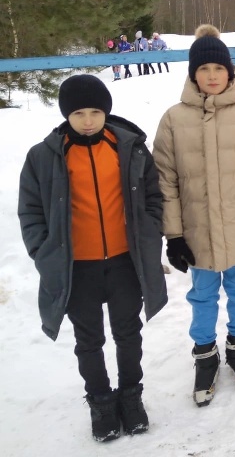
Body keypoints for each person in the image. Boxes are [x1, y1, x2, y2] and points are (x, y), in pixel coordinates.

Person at [18, 74, 167, 442]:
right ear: (66, 114)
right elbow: (31, 210)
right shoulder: (44, 156)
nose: (88, 120)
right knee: (88, 340)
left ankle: (131, 397)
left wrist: (150, 229)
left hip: (124, 261)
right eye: (79, 113)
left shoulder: (128, 147)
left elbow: (153, 194)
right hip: (77, 267)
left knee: (128, 333)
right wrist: (44, 251)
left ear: (106, 112)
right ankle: (100, 402)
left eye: (96, 112)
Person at [153, 24, 235, 405]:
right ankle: (205, 358)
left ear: (230, 72)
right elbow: (166, 180)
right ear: (193, 73)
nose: (212, 76)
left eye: (218, 69)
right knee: (203, 296)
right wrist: (173, 235)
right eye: (204, 70)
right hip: (197, 233)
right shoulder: (174, 119)